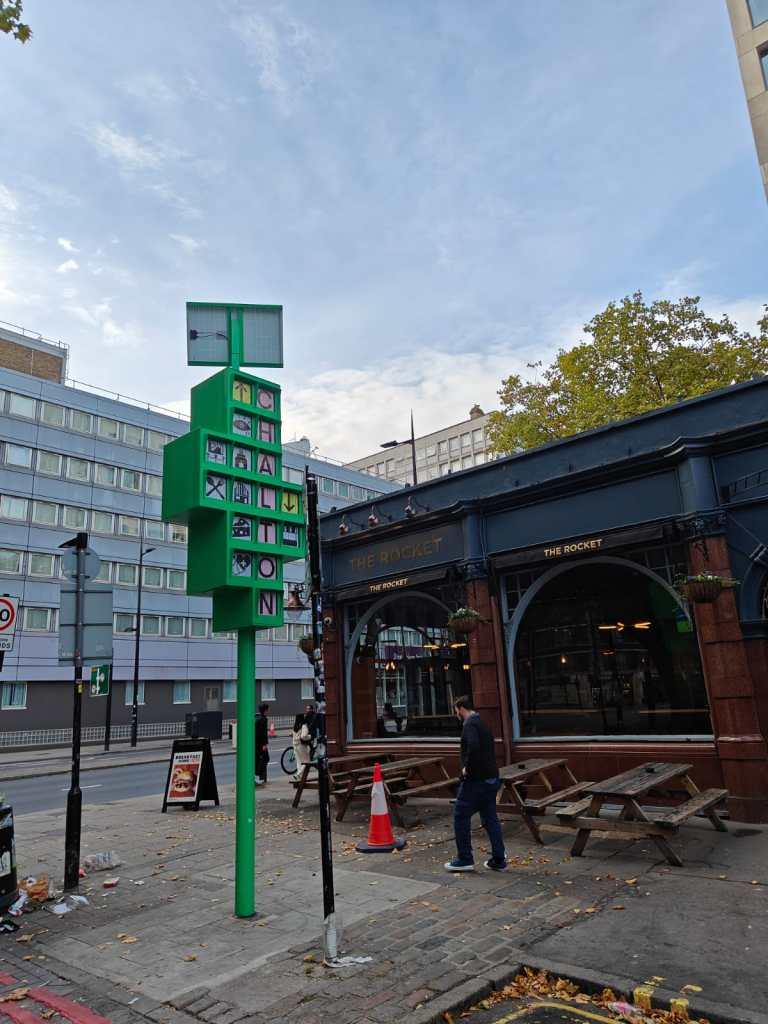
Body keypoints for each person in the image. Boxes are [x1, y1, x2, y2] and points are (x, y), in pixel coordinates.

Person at [445, 695, 506, 872]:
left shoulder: (470, 724)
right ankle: (499, 859)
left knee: (460, 815)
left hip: (476, 780)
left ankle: (465, 858)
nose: (456, 714)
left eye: (456, 710)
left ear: (461, 708)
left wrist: (466, 768)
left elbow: (473, 746)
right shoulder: (482, 722)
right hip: (491, 778)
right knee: (490, 818)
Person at [255, 702, 270, 785]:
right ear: (265, 710)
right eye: (267, 710)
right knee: (265, 758)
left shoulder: (257, 718)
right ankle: (258, 775)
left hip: (256, 742)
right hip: (260, 743)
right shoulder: (263, 719)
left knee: (258, 759)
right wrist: (264, 744)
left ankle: (258, 776)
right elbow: (263, 732)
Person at [291, 712, 305, 777]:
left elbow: (294, 734)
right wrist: (310, 737)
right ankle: (298, 774)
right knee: (306, 761)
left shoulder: (295, 727)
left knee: (298, 762)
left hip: (295, 745)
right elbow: (304, 736)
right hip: (301, 745)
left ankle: (300, 776)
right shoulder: (303, 726)